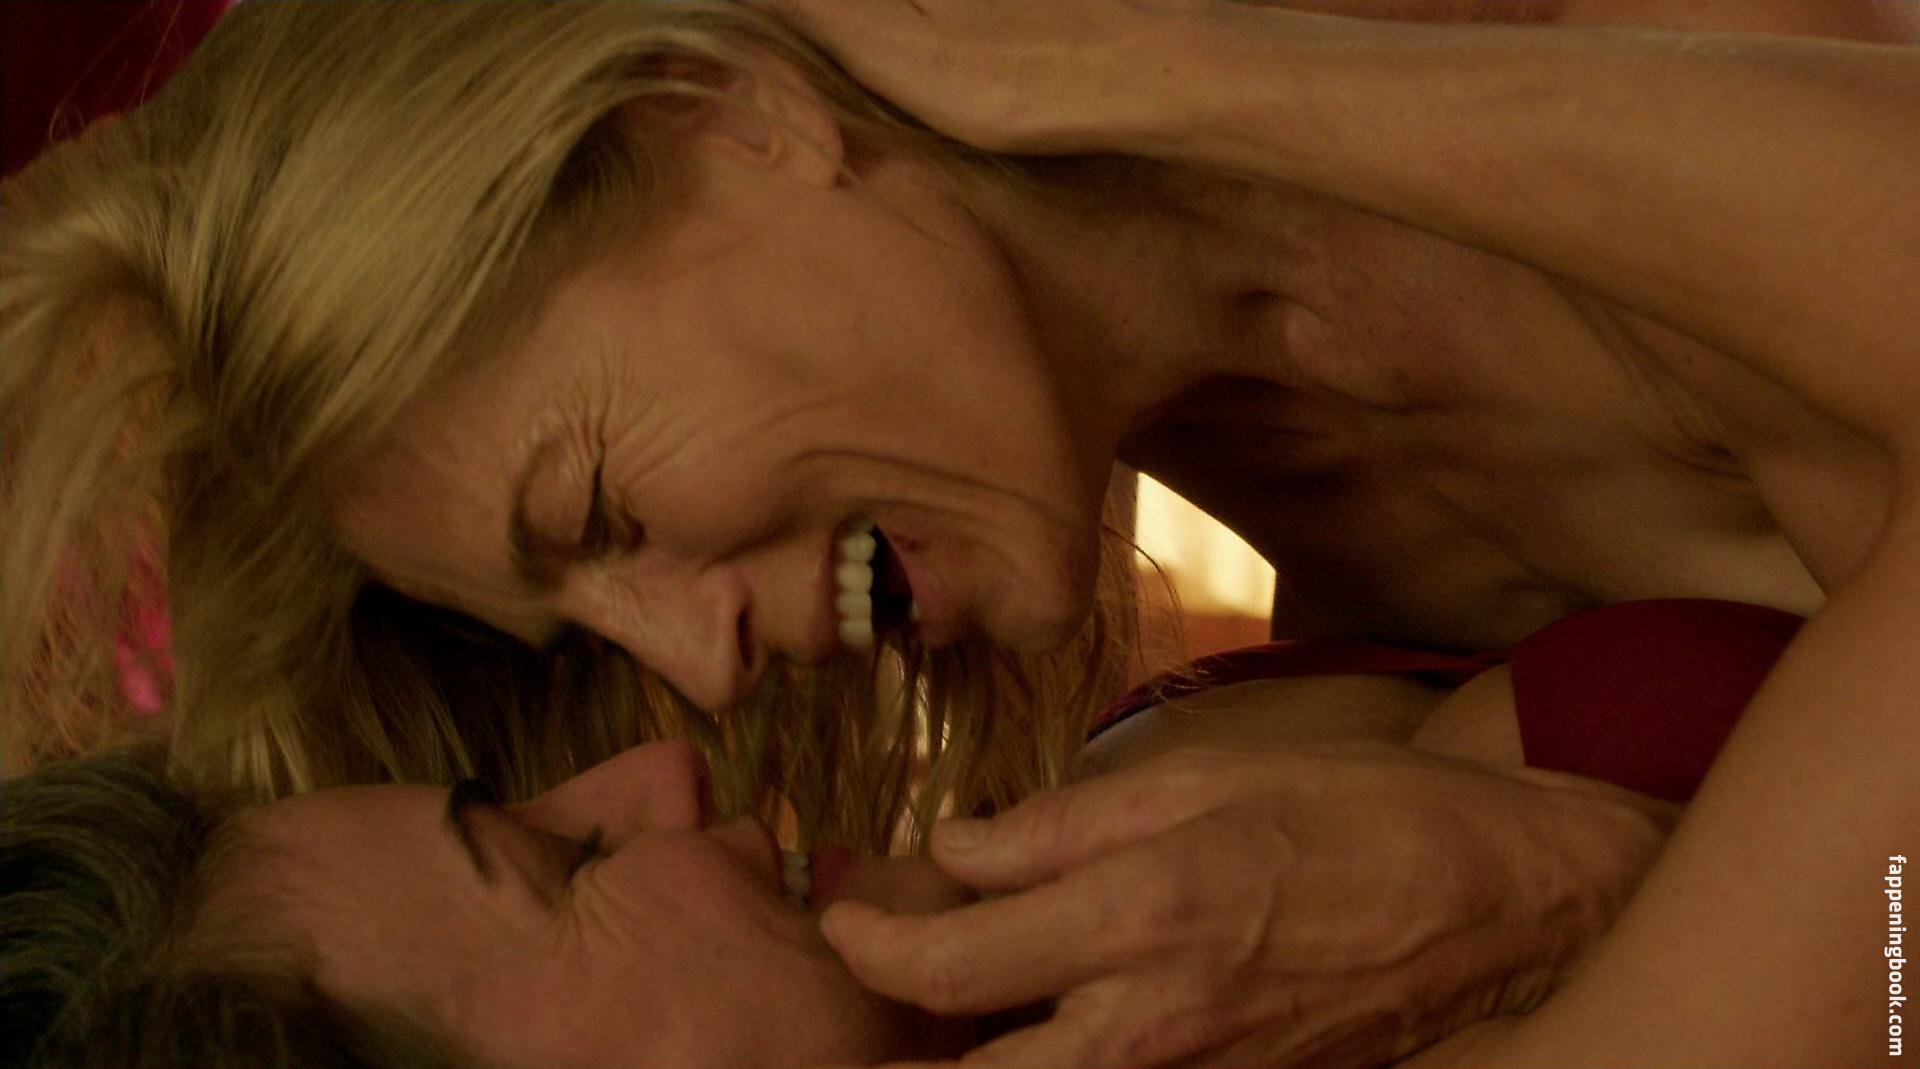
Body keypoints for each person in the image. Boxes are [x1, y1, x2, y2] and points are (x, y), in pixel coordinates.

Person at [2, 0, 1913, 1065]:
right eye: (583, 628)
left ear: (718, 113)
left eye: (599, 513)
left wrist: (1134, 71)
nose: (693, 677)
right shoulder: (1198, 837)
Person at [7, 597, 1778, 1068]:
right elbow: (1899, 938)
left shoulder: (1129, 846)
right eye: (563, 867)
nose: (659, 770)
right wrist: (1577, 885)